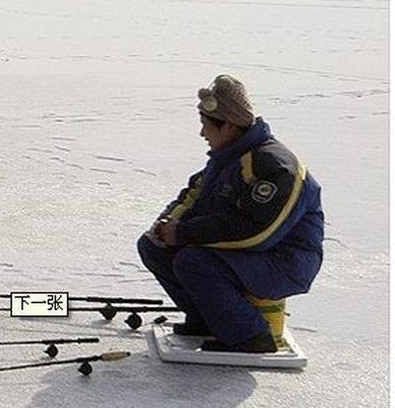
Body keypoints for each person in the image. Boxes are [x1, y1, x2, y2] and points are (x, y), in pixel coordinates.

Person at [137, 75, 324, 353]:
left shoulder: (273, 166)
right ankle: (209, 319)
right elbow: (192, 198)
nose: (202, 133)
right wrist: (165, 227)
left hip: (284, 261)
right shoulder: (227, 159)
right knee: (154, 247)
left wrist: (184, 233)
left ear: (229, 126)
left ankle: (250, 335)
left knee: (193, 261)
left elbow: (258, 233)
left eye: (205, 125)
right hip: (251, 256)